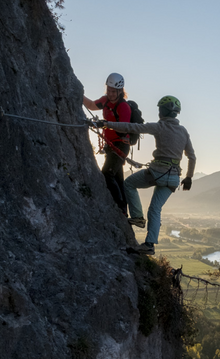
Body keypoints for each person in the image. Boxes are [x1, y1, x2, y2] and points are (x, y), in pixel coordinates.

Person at [96, 95, 196, 255]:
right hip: (174, 178)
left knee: (129, 184)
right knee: (155, 209)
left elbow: (132, 128)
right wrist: (189, 177)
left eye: (159, 109)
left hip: (157, 172)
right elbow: (192, 156)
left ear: (162, 111)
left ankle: (137, 217)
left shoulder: (159, 126)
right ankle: (149, 245)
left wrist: (106, 124)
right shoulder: (183, 131)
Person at [83, 73, 131, 215]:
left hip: (121, 145)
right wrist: (78, 93)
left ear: (120, 91)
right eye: (108, 90)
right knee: (117, 178)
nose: (110, 93)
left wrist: (104, 124)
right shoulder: (105, 101)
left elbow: (123, 127)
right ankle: (123, 211)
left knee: (107, 173)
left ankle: (119, 207)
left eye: (113, 91)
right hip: (111, 145)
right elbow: (91, 105)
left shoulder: (123, 107)